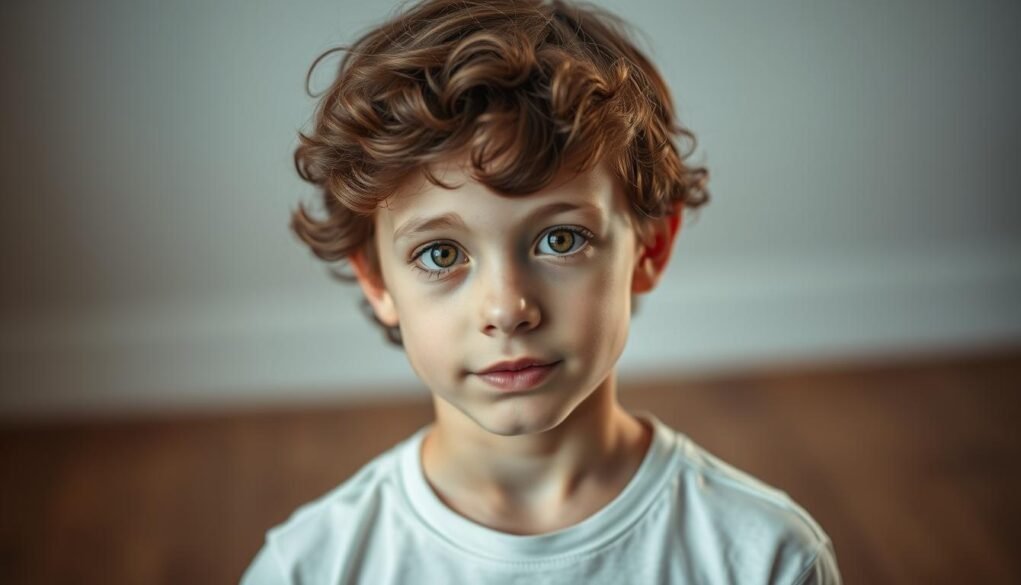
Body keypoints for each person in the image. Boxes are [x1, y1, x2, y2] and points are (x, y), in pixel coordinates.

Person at [242, 0, 842, 582]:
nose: (507, 310)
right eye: (441, 254)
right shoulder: (309, 567)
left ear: (650, 248)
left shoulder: (768, 560)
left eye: (560, 240)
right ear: (378, 282)